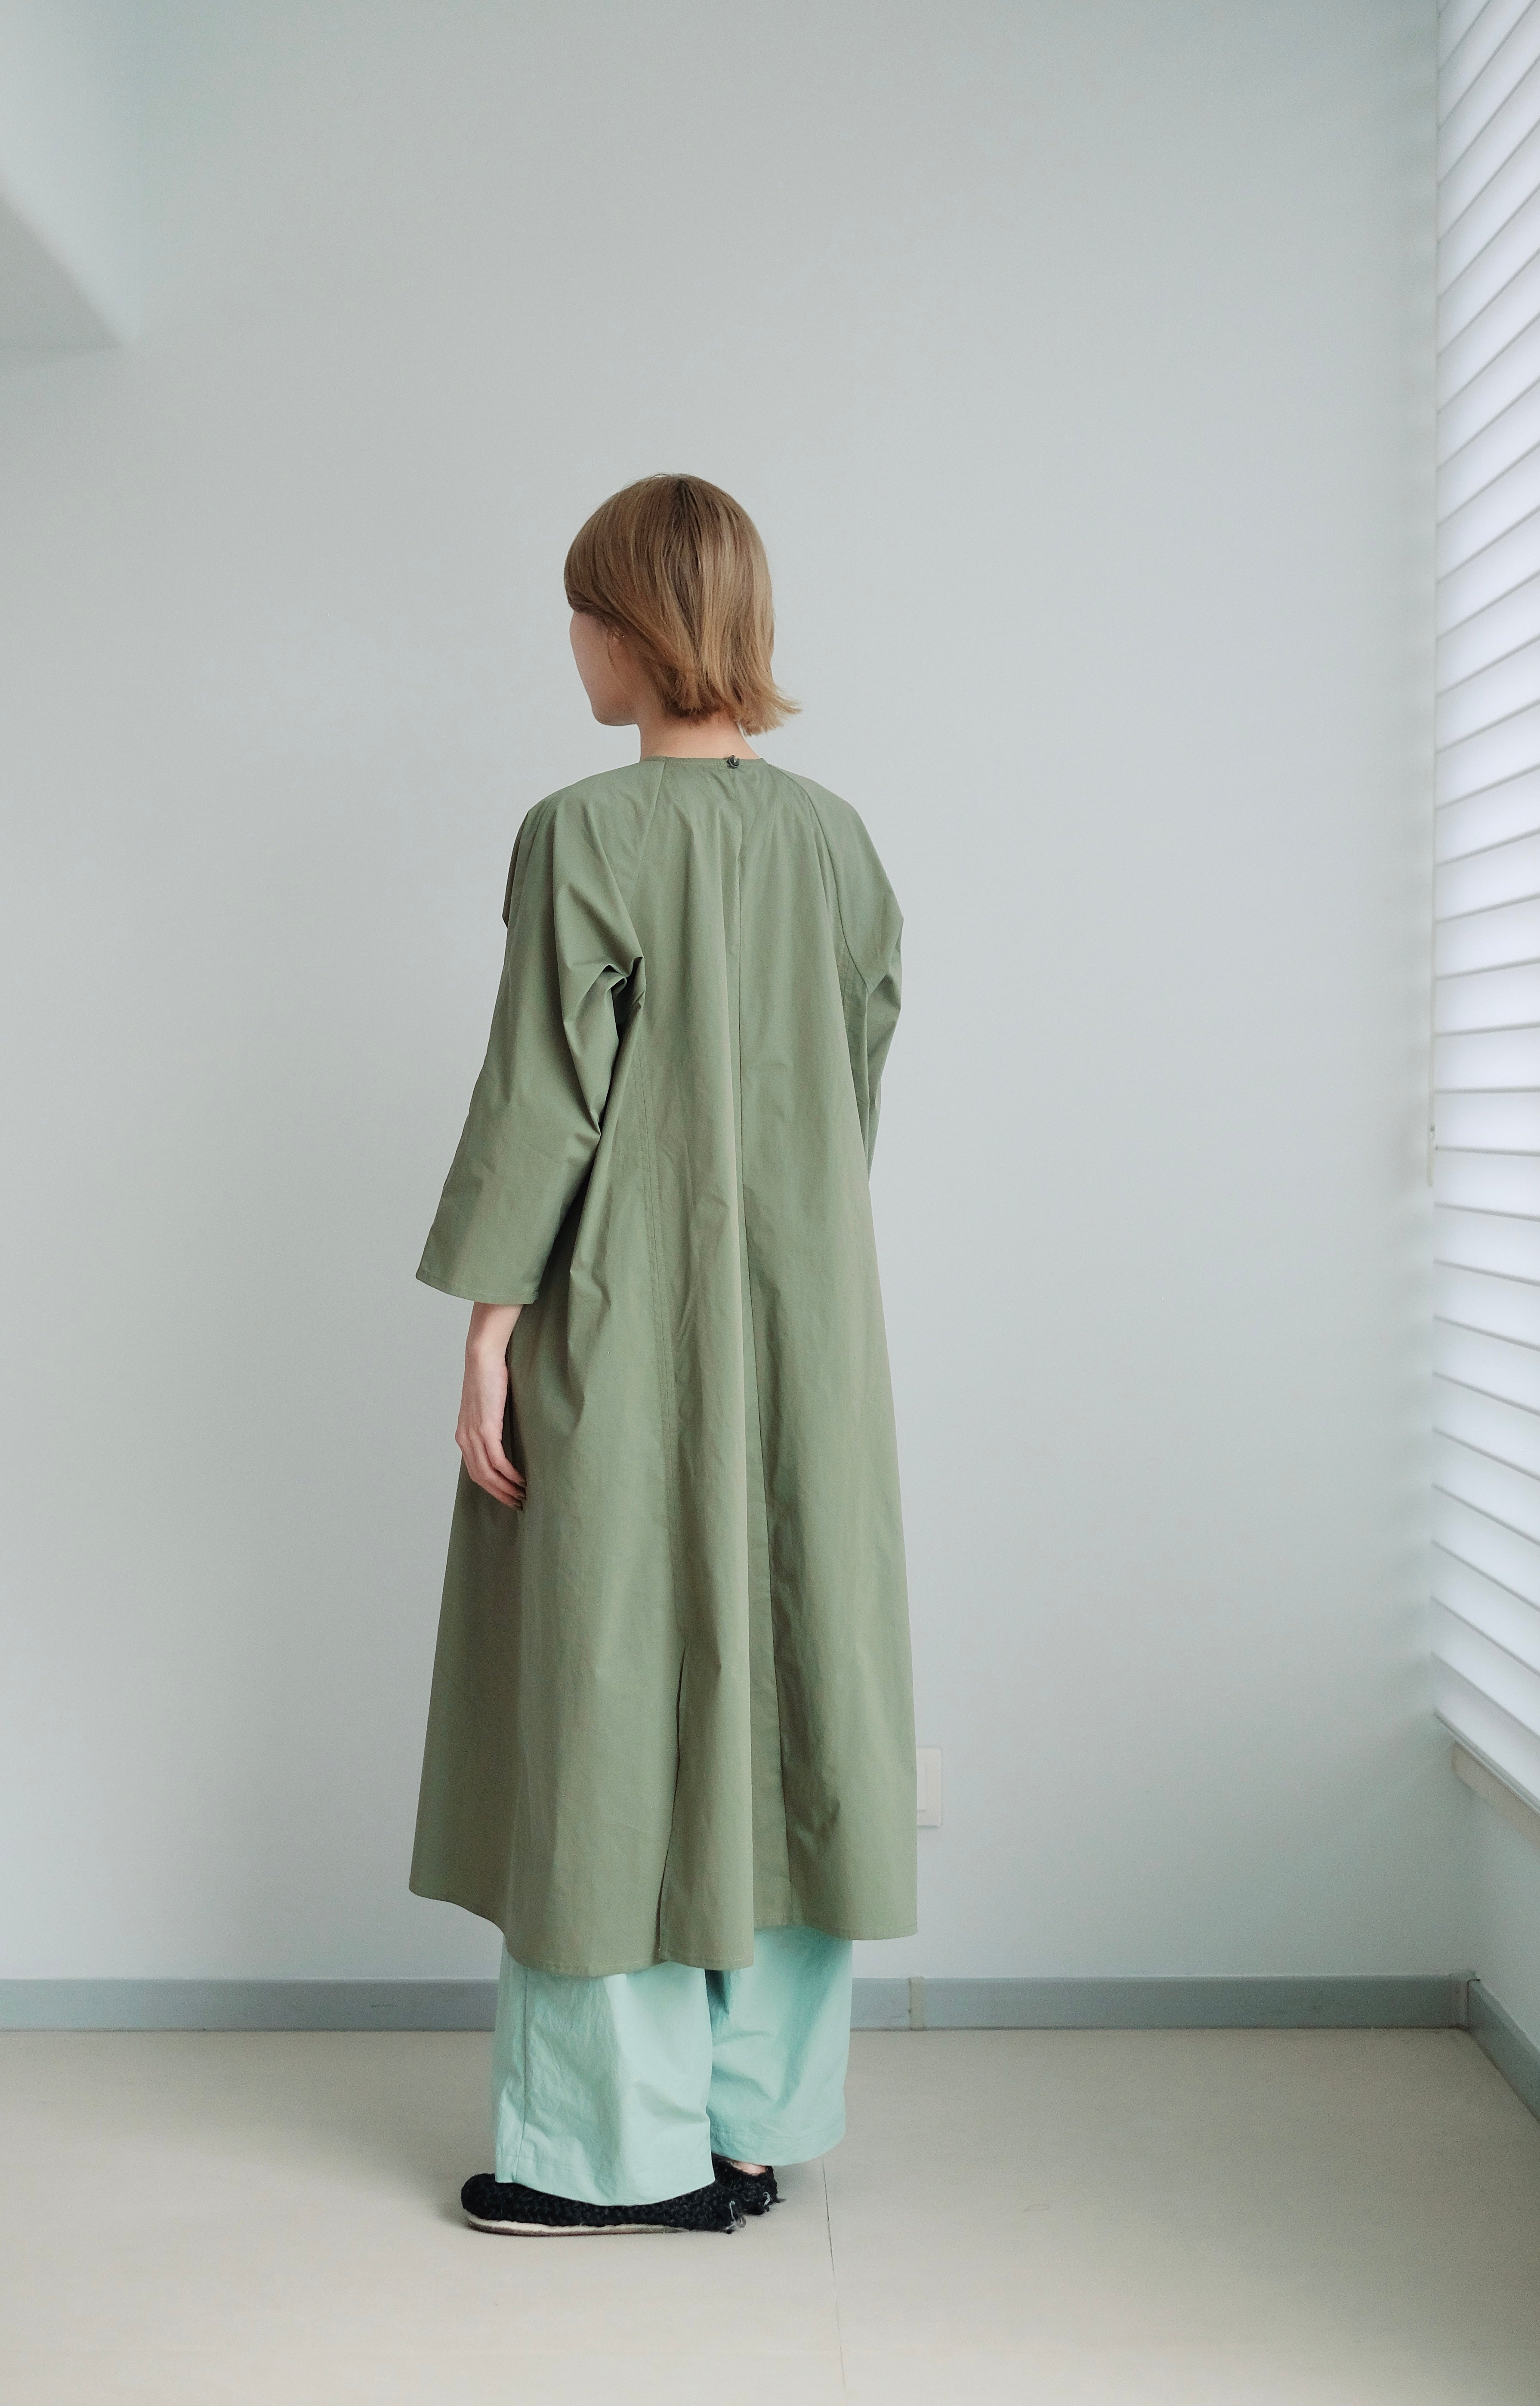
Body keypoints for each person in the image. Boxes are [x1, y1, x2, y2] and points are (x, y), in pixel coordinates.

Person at [409, 473, 915, 2236]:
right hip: (807, 1326)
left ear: (629, 627)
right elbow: (851, 1090)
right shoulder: (839, 842)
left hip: (621, 1314)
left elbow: (541, 1102)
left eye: (580, 613)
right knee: (791, 1683)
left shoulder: (583, 833)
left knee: (606, 1694)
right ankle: (751, 2124)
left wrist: (489, 1333)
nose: (570, 644)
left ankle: (604, 2156)